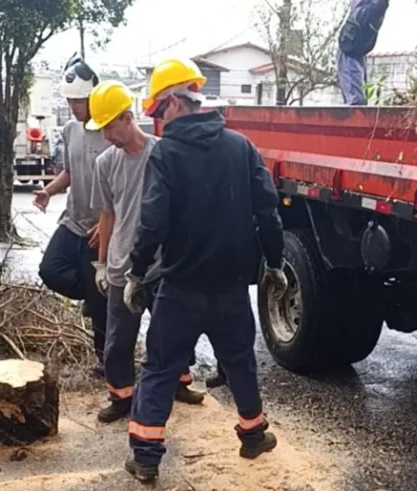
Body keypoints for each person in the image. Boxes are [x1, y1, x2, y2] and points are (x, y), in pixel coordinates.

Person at [122, 58, 288, 483]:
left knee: (160, 368)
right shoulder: (241, 147)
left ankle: (145, 457)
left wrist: (136, 272)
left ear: (176, 102)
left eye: (159, 110)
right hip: (231, 289)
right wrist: (274, 262)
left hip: (180, 288)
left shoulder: (166, 155)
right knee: (240, 363)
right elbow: (268, 213)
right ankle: (253, 437)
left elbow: (152, 222)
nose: (157, 120)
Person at [86, 80, 205, 424]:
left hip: (163, 264)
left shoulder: (162, 152)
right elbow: (106, 215)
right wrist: (102, 263)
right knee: (118, 338)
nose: (105, 136)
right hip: (124, 264)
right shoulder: (106, 164)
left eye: (108, 126)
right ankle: (121, 395)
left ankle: (180, 383)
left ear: (127, 118)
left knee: (172, 332)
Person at [35, 54, 111, 375]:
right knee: (50, 270)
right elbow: (69, 171)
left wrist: (111, 225)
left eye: (78, 102)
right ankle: (88, 298)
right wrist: (48, 191)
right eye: (69, 102)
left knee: (101, 301)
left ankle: (106, 362)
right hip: (72, 221)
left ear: (93, 96)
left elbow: (121, 183)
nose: (73, 108)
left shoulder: (109, 132)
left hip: (100, 227)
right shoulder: (70, 130)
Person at [336, 0, 389, 105]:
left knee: (359, 100)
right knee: (356, 101)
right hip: (350, 49)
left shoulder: (372, 9)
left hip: (356, 49)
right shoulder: (368, 9)